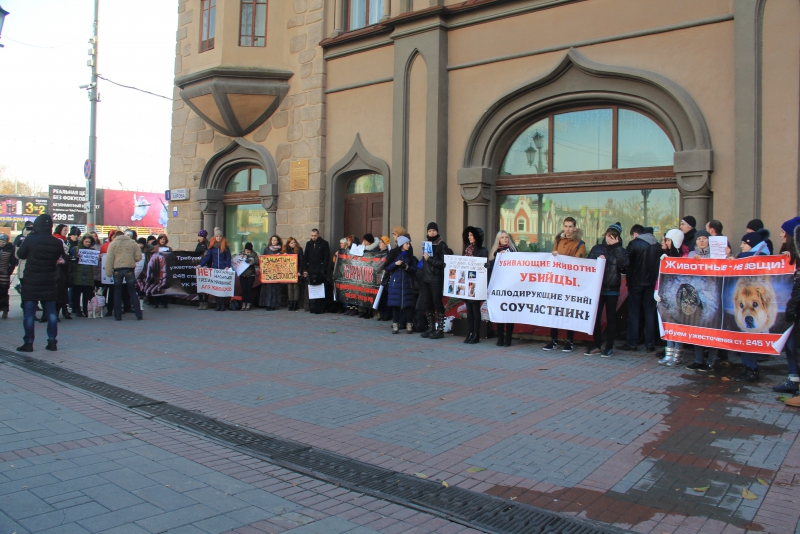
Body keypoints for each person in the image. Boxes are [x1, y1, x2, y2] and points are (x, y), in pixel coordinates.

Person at [16, 214, 66, 352]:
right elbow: (59, 257)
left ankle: (28, 343)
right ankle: (52, 341)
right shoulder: (57, 242)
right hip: (49, 280)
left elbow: (20, 255)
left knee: (29, 313)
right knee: (51, 313)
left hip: (31, 280)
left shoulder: (30, 239)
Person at [730, 231, 771, 382]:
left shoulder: (760, 257)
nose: (741, 246)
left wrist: (737, 259)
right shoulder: (747, 258)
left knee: (749, 340)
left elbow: (750, 258)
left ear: (751, 244)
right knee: (744, 340)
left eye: (744, 243)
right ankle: (747, 368)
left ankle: (752, 370)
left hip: (756, 313)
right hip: (745, 309)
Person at [585, 223, 629, 357]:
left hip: (612, 289)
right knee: (596, 317)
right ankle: (596, 344)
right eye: (609, 235)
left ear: (618, 238)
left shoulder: (620, 250)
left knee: (611, 319)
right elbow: (587, 266)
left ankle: (609, 347)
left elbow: (624, 266)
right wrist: (597, 261)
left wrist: (616, 247)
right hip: (597, 289)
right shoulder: (597, 248)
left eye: (614, 236)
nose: (610, 238)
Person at [545, 217, 585, 351]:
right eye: (566, 226)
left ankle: (569, 340)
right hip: (557, 280)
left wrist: (561, 257)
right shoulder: (558, 240)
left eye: (570, 227)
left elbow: (578, 262)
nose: (568, 229)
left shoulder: (580, 244)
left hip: (570, 281)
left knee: (569, 310)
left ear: (574, 228)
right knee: (554, 309)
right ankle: (553, 339)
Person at [618, 224, 661, 352]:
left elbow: (624, 262)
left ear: (636, 234)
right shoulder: (657, 245)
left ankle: (632, 342)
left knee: (634, 313)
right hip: (651, 283)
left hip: (635, 283)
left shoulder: (634, 244)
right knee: (649, 313)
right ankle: (650, 342)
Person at [683, 230, 720, 371]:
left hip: (712, 296)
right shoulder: (691, 254)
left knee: (711, 330)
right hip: (696, 296)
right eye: (699, 238)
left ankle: (711, 361)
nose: (702, 241)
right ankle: (698, 360)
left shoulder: (716, 254)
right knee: (697, 329)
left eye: (705, 238)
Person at [656, 229, 684, 366]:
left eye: (667, 240)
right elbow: (660, 276)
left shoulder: (683, 256)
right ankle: (668, 353)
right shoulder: (665, 257)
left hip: (678, 296)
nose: (664, 242)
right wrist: (657, 290)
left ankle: (677, 355)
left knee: (677, 326)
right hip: (665, 295)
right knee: (667, 325)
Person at [104, 229, 143, 321]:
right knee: (132, 292)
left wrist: (108, 272)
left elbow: (109, 259)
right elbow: (138, 257)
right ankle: (138, 314)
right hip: (129, 269)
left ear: (115, 236)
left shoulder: (113, 244)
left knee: (117, 292)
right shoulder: (132, 243)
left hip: (117, 269)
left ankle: (117, 316)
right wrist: (131, 259)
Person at [419, 222, 449, 339]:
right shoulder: (426, 244)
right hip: (426, 278)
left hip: (436, 279)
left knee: (437, 303)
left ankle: (440, 329)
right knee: (427, 303)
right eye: (430, 231)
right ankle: (431, 327)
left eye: (434, 231)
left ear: (437, 231)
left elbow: (444, 263)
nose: (431, 233)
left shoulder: (442, 244)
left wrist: (430, 260)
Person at [489, 230, 517, 347]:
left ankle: (508, 337)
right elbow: (491, 270)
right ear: (498, 240)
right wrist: (498, 256)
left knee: (510, 312)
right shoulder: (495, 253)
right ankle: (500, 337)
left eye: (506, 237)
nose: (505, 239)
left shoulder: (514, 251)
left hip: (511, 287)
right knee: (500, 312)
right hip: (499, 287)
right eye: (502, 237)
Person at [384, 235, 418, 334]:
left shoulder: (410, 255)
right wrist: (395, 264)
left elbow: (414, 269)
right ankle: (395, 325)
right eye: (406, 243)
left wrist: (407, 267)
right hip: (395, 283)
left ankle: (409, 325)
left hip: (407, 283)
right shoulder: (394, 254)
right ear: (402, 244)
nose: (408, 245)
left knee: (408, 305)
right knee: (395, 305)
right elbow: (387, 268)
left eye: (409, 243)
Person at [462, 226, 488, 344]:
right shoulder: (466, 250)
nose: (469, 237)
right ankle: (470, 332)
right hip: (466, 282)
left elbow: (482, 267)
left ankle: (476, 334)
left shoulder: (482, 250)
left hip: (476, 283)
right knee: (469, 309)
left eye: (472, 235)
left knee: (475, 309)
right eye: (468, 235)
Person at [201, 228, 232, 311]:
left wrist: (227, 266)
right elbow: (208, 257)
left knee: (222, 287)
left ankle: (222, 305)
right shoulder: (212, 247)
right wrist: (201, 264)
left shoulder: (225, 247)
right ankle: (218, 305)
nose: (218, 238)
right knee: (216, 288)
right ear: (215, 237)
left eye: (220, 236)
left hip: (223, 269)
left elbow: (228, 257)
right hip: (215, 268)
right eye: (217, 236)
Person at [303, 229, 330, 314]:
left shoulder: (324, 243)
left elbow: (326, 257)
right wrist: (305, 269)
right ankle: (313, 306)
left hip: (320, 270)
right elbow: (305, 257)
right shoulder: (309, 244)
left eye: (315, 235)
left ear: (318, 235)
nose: (313, 237)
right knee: (312, 289)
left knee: (320, 289)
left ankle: (320, 307)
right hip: (311, 269)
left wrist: (323, 269)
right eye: (312, 236)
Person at [70, 234, 98, 317]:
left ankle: (86, 310)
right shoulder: (76, 249)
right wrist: (75, 257)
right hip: (78, 274)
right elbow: (70, 259)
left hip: (88, 275)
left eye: (89, 242)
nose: (88, 243)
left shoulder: (92, 251)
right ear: (82, 241)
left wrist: (97, 258)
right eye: (86, 242)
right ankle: (77, 310)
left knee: (86, 295)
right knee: (77, 294)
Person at [358, 234, 380, 319]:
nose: (364, 242)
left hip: (371, 273)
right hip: (363, 272)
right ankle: (364, 310)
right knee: (364, 293)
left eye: (365, 240)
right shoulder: (362, 248)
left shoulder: (375, 249)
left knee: (370, 293)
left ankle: (370, 311)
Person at [14, 221, 34, 316]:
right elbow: (17, 255)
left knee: (32, 293)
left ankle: (30, 310)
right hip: (23, 270)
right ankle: (26, 309)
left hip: (33, 270)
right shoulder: (20, 240)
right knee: (26, 292)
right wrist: (19, 246)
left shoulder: (36, 240)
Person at [259, 235, 283, 311]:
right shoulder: (267, 249)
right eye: (272, 240)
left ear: (278, 241)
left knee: (275, 289)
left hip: (276, 273)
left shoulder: (280, 250)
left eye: (275, 240)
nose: (273, 242)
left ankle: (273, 304)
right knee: (268, 289)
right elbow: (263, 260)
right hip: (268, 272)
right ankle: (267, 304)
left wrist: (280, 256)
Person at [283, 237, 304, 311]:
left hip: (296, 271)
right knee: (290, 288)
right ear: (288, 244)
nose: (293, 244)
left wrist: (300, 271)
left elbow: (301, 261)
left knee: (296, 287)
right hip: (289, 272)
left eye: (294, 242)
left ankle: (295, 302)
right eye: (291, 243)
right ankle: (291, 302)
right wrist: (283, 255)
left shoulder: (299, 250)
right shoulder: (286, 250)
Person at [150, 234, 171, 308]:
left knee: (165, 286)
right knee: (157, 286)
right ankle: (156, 303)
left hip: (165, 270)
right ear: (158, 240)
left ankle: (165, 303)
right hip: (157, 270)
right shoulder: (155, 248)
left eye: (164, 239)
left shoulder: (168, 248)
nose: (162, 241)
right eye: (161, 239)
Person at [0, 234, 17, 319]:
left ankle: (5, 309)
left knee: (4, 293)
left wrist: (9, 272)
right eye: (0, 241)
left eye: (3, 242)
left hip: (4, 274)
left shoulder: (11, 249)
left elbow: (13, 262)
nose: (1, 243)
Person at [238, 242, 259, 310]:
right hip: (243, 274)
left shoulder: (254, 254)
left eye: (249, 250)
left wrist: (251, 260)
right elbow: (237, 261)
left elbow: (257, 262)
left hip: (251, 274)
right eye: (246, 250)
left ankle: (249, 303)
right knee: (244, 289)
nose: (247, 251)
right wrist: (241, 258)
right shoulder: (241, 253)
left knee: (249, 289)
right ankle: (244, 303)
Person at [195, 230, 210, 310]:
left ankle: (205, 301)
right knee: (200, 285)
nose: (199, 238)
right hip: (199, 266)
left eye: (201, 236)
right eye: (199, 236)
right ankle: (201, 302)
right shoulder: (198, 245)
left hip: (206, 266)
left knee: (206, 285)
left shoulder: (208, 244)